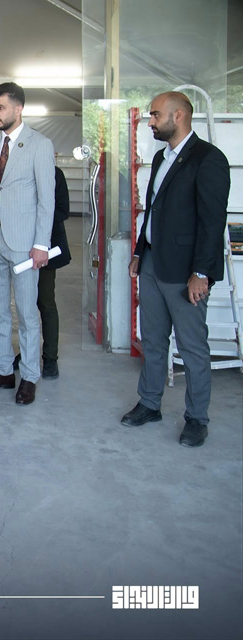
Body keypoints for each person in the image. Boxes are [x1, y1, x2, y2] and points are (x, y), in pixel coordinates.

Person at [121, 91, 230, 448]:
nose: (150, 122)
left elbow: (212, 222)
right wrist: (140, 252)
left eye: (155, 115)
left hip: (185, 271)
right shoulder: (161, 157)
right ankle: (150, 403)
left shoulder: (208, 159)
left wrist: (202, 272)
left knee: (192, 346)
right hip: (153, 262)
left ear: (178, 116)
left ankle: (197, 418)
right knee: (153, 339)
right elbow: (152, 210)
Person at [0, 82, 55, 406]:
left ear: (18, 108)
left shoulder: (40, 145)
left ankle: (30, 376)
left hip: (24, 243)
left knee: (26, 312)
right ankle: (2, 370)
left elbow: (46, 200)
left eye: (0, 108)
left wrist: (41, 244)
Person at [7, 162, 73, 379]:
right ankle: (28, 352)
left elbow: (62, 211)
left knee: (45, 302)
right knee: (24, 304)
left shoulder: (55, 174)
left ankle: (50, 358)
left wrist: (33, 218)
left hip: (45, 248)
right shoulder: (18, 172)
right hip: (19, 246)